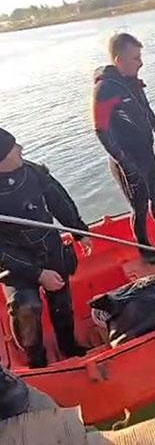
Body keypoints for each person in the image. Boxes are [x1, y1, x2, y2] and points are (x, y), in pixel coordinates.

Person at [91, 33, 155, 265]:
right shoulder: (105, 89)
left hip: (145, 152)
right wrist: (125, 164)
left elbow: (146, 109)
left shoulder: (132, 81)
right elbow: (100, 130)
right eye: (135, 58)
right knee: (139, 203)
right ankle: (144, 246)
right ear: (119, 60)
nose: (141, 62)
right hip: (126, 158)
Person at [0, 129, 91, 367]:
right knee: (27, 307)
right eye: (13, 148)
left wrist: (79, 231)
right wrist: (37, 274)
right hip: (15, 263)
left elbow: (58, 199)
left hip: (48, 247)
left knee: (61, 302)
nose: (20, 148)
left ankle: (69, 346)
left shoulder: (32, 172)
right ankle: (36, 361)